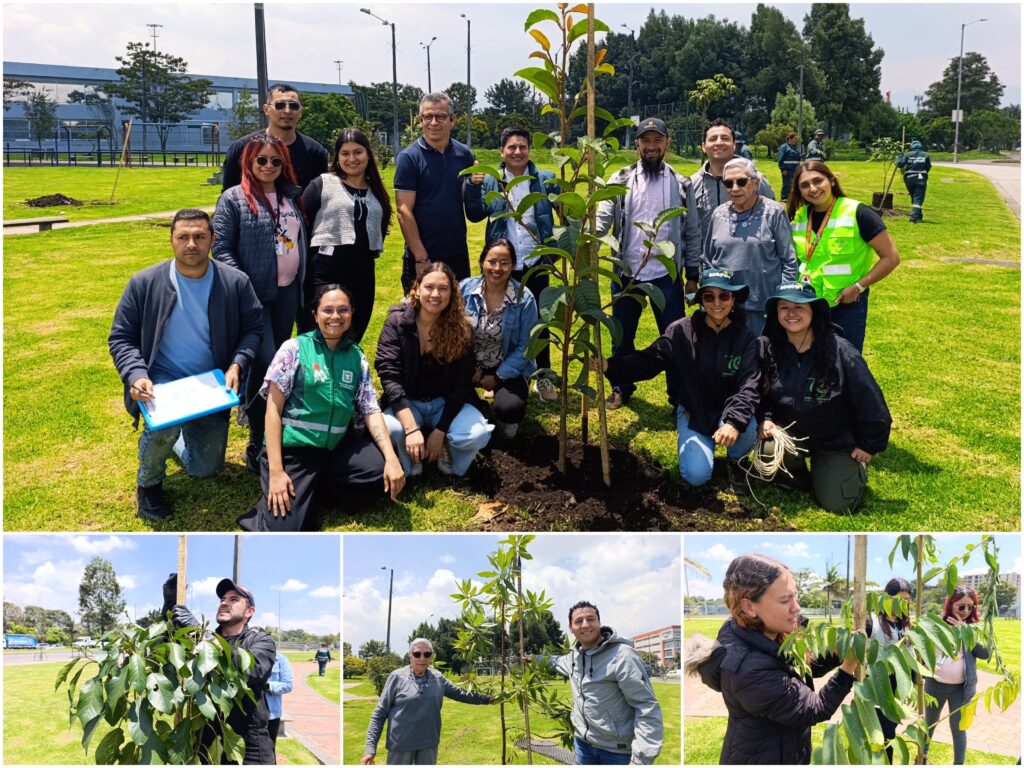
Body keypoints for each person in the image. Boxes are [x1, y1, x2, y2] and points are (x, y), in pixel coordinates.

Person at [109, 209, 263, 520]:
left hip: (211, 384)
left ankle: (174, 435)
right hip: (162, 378)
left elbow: (253, 329)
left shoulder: (235, 282)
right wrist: (136, 375)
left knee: (205, 469)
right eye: (183, 237)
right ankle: (149, 484)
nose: (191, 244)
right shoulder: (143, 283)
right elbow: (121, 338)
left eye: (199, 237)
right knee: (164, 422)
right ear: (171, 241)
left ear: (212, 240)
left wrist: (237, 364)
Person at [240, 284, 405, 532]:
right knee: (287, 529)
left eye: (343, 310)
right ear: (315, 313)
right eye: (328, 310)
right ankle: (295, 493)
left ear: (351, 313)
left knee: (378, 474)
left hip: (336, 447)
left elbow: (370, 408)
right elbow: (272, 411)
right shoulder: (294, 350)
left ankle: (315, 488)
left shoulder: (356, 356)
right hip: (296, 450)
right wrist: (276, 471)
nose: (335, 316)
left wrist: (392, 458)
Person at [592, 271, 759, 496]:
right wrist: (609, 366)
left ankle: (737, 462)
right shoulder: (681, 331)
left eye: (724, 296)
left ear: (733, 300)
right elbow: (649, 361)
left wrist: (735, 422)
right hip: (694, 411)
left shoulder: (746, 337)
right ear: (700, 301)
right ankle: (702, 447)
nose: (717, 303)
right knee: (695, 476)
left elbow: (749, 385)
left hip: (729, 411)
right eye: (709, 297)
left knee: (747, 426)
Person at [687, 553, 858, 764]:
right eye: (785, 600)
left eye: (795, 596)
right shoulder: (747, 669)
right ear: (749, 607)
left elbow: (805, 667)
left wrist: (838, 652)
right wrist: (848, 667)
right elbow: (814, 709)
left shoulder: (770, 634)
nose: (797, 607)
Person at [214, 134, 307, 474]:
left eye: (275, 161)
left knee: (279, 365)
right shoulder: (234, 199)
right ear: (249, 162)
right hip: (253, 297)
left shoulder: (291, 197)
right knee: (266, 361)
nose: (268, 166)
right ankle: (257, 439)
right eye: (261, 160)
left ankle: (274, 431)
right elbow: (221, 248)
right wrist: (243, 286)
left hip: (286, 294)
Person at [758, 281, 892, 512]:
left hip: (834, 441)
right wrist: (766, 417)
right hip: (792, 435)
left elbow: (871, 401)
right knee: (768, 450)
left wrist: (869, 445)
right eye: (784, 307)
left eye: (799, 307)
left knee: (838, 505)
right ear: (775, 313)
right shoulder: (770, 348)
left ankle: (849, 471)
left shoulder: (841, 351)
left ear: (814, 312)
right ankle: (799, 479)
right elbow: (760, 391)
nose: (791, 313)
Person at [595, 116, 700, 410]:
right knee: (621, 335)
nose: (651, 147)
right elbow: (602, 220)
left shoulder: (681, 183)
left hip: (666, 277)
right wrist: (588, 236)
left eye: (658, 140)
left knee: (677, 339)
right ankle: (620, 387)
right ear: (637, 144)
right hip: (627, 275)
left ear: (667, 143)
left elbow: (691, 230)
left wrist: (691, 273)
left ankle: (677, 396)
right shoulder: (621, 180)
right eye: (646, 141)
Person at [464, 126, 560, 402]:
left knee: (540, 322)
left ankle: (543, 376)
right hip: (503, 266)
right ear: (501, 151)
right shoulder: (492, 182)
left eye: (522, 147)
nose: (517, 151)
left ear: (529, 150)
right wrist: (472, 186)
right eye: (511, 147)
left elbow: (564, 212)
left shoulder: (544, 179)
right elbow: (474, 214)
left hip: (536, 261)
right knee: (502, 321)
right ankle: (504, 373)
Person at [376, 263, 493, 477]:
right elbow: (389, 376)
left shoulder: (462, 328)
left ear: (452, 292)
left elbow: (462, 382)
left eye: (443, 288)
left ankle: (447, 447)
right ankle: (411, 456)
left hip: (445, 401)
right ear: (417, 289)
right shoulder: (397, 323)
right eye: (429, 287)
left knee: (478, 434)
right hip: (408, 402)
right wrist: (410, 429)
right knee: (390, 429)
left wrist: (441, 431)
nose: (435, 294)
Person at [786, 160, 901, 351]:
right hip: (808, 303)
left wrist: (859, 286)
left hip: (846, 305)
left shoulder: (858, 213)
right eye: (805, 185)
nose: (813, 189)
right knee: (811, 362)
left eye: (818, 181)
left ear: (831, 181)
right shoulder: (799, 217)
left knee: (845, 362)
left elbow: (891, 258)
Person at [162, 575, 277, 765]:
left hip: (249, 745)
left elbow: (250, 670)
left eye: (234, 600)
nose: (224, 603)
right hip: (206, 741)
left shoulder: (260, 641)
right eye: (222, 599)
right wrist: (168, 605)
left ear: (250, 611)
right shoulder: (201, 640)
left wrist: (201, 633)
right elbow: (169, 650)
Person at [538, 601, 662, 764]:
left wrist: (641, 759)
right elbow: (554, 662)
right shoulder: (573, 658)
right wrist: (531, 659)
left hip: (616, 751)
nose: (585, 625)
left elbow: (646, 706)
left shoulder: (622, 656)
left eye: (590, 619)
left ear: (599, 622)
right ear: (570, 627)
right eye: (578, 621)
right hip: (583, 745)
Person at [302, 127, 392, 341]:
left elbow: (379, 227)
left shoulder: (375, 190)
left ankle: (346, 373)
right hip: (326, 270)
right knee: (324, 331)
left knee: (353, 332)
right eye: (345, 153)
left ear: (368, 155)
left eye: (358, 152)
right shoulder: (323, 184)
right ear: (337, 157)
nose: (352, 158)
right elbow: (301, 224)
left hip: (363, 272)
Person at [702, 158, 798, 335]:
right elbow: (708, 259)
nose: (735, 188)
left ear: (755, 183)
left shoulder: (774, 212)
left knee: (763, 357)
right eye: (728, 183)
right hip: (725, 305)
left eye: (741, 181)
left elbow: (789, 261)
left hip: (763, 305)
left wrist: (784, 301)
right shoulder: (719, 214)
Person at [361, 638, 492, 765]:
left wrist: (488, 699)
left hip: (428, 744)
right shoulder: (397, 677)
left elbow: (460, 694)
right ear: (410, 656)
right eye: (417, 654)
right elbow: (379, 713)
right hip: (400, 745)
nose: (422, 658)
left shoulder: (438, 678)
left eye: (427, 654)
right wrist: (370, 749)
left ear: (431, 656)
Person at [394, 92, 476, 292]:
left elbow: (468, 198)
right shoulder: (409, 158)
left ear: (452, 120)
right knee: (421, 316)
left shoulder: (464, 155)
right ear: (420, 121)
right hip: (423, 253)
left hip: (457, 252)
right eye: (427, 117)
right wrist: (421, 257)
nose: (434, 122)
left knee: (457, 315)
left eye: (440, 116)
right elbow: (404, 211)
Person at [459, 239, 539, 439]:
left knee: (510, 407)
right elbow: (453, 334)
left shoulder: (525, 299)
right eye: (492, 261)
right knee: (454, 401)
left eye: (504, 262)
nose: (497, 268)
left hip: (507, 366)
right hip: (469, 364)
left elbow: (526, 346)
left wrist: (496, 377)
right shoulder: (464, 290)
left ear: (513, 266)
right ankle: (478, 411)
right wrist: (470, 368)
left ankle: (506, 419)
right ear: (482, 262)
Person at [924, 585, 990, 765]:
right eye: (961, 606)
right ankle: (921, 760)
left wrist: (966, 631)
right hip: (934, 685)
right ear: (950, 604)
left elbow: (986, 654)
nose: (966, 611)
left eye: (971, 607)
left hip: (960, 689)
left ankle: (958, 764)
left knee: (958, 729)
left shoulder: (973, 628)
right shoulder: (937, 622)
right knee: (928, 725)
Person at [221, 83, 328, 192]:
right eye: (280, 105)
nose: (287, 111)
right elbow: (228, 194)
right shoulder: (242, 148)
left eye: (293, 106)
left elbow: (321, 196)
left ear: (300, 112)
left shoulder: (315, 151)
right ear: (266, 109)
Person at [688, 118, 776, 246]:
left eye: (725, 138)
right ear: (703, 147)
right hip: (708, 262)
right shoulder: (691, 184)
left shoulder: (756, 180)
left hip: (751, 259)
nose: (719, 143)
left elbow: (773, 218)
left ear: (734, 145)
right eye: (713, 139)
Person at [865, 577, 914, 762]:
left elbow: (909, 654)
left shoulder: (905, 623)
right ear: (886, 597)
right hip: (876, 683)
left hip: (895, 685)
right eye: (897, 599)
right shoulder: (872, 621)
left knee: (890, 731)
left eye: (906, 601)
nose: (902, 604)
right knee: (879, 733)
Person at [896, 139, 932, 223]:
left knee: (915, 197)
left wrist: (900, 157)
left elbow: (900, 165)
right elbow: (928, 166)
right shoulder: (925, 155)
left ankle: (919, 215)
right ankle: (913, 218)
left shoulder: (907, 154)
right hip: (920, 177)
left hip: (909, 178)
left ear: (912, 147)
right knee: (918, 198)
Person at [267, 652, 294, 747]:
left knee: (269, 749)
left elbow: (288, 685)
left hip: (271, 715)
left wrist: (267, 685)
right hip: (249, 714)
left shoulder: (280, 659)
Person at [777, 132, 802, 202]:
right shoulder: (784, 147)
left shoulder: (795, 148)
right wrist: (783, 169)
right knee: (787, 184)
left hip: (795, 169)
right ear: (790, 139)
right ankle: (784, 198)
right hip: (787, 170)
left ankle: (792, 197)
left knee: (795, 184)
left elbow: (796, 158)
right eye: (795, 139)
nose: (796, 140)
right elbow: (780, 159)